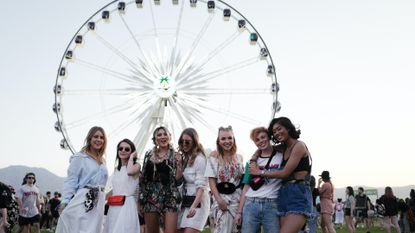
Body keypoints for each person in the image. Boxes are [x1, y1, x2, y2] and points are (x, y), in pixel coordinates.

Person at [249, 117, 313, 233]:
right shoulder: (283, 148)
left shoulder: (299, 146)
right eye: (274, 132)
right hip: (283, 194)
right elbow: (262, 148)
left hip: (298, 194)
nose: (277, 133)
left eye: (279, 129)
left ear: (288, 128)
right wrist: (253, 160)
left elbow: (285, 173)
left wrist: (260, 172)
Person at [56, 126, 108, 233]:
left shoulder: (103, 161)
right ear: (89, 138)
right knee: (83, 229)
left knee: (94, 230)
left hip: (99, 202)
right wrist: (65, 202)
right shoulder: (80, 157)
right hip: (84, 199)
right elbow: (71, 180)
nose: (99, 140)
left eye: (102, 137)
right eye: (96, 136)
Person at [235, 127, 283, 233]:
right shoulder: (251, 162)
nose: (261, 141)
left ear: (268, 137)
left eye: (263, 137)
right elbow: (246, 187)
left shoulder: (281, 157)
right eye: (257, 139)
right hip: (251, 203)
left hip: (272, 204)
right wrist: (239, 212)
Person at [139, 126, 183, 233]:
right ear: (155, 139)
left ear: (169, 137)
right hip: (151, 198)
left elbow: (178, 181)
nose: (162, 137)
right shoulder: (149, 155)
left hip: (170, 197)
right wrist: (140, 200)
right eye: (159, 135)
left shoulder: (176, 155)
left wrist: (179, 165)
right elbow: (143, 178)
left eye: (165, 134)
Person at [205, 126, 244, 233]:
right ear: (218, 141)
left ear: (234, 139)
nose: (227, 141)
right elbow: (211, 181)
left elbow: (241, 181)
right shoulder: (213, 157)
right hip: (222, 200)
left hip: (238, 201)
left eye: (229, 138)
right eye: (223, 139)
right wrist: (219, 200)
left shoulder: (239, 157)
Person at [104, 138, 141, 233]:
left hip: (127, 205)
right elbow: (115, 189)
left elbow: (129, 172)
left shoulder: (136, 166)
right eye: (120, 148)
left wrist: (132, 157)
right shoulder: (116, 169)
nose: (123, 151)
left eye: (127, 149)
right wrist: (101, 198)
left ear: (132, 151)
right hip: (114, 206)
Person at [177, 128, 210, 233]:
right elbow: (178, 180)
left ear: (194, 142)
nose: (184, 144)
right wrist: (179, 166)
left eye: (187, 142)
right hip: (186, 201)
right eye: (182, 142)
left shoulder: (200, 159)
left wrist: (194, 206)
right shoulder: (186, 158)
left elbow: (202, 187)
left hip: (197, 202)